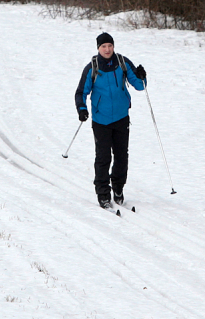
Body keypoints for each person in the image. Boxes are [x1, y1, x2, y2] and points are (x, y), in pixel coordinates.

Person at [75, 32, 147, 209]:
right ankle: (103, 194)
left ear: (113, 46)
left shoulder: (122, 62)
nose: (107, 49)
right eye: (103, 46)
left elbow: (140, 86)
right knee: (103, 158)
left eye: (110, 46)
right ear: (98, 48)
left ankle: (118, 188)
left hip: (122, 118)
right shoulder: (92, 68)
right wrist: (82, 109)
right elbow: (81, 93)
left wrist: (142, 76)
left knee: (122, 157)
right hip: (101, 120)